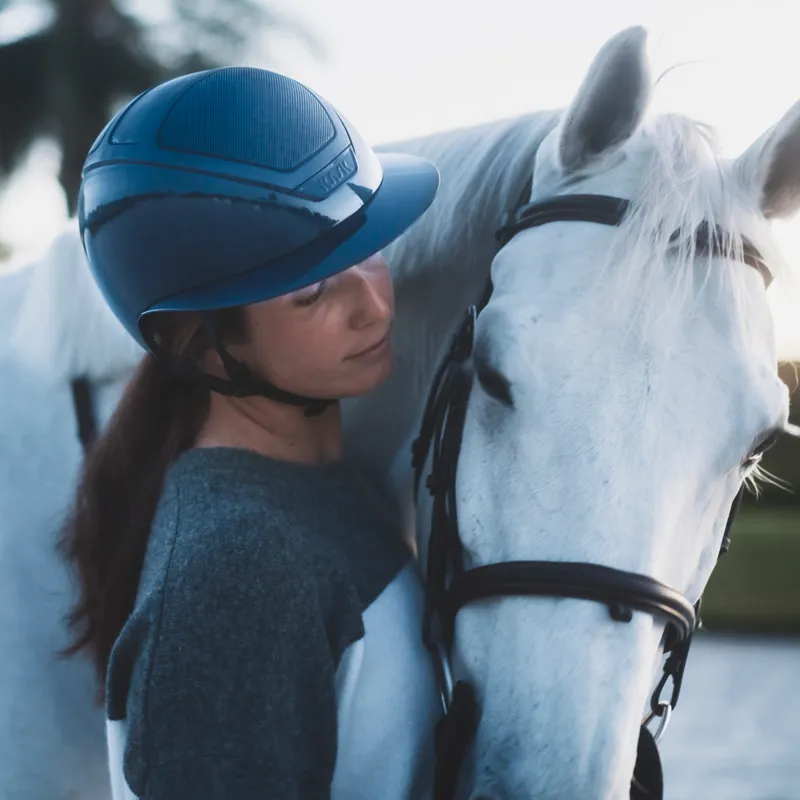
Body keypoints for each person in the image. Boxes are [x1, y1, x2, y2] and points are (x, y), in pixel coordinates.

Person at [59, 65, 442, 800]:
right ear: (204, 348)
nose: (374, 306)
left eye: (367, 247)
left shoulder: (322, 485)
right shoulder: (240, 569)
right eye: (313, 291)